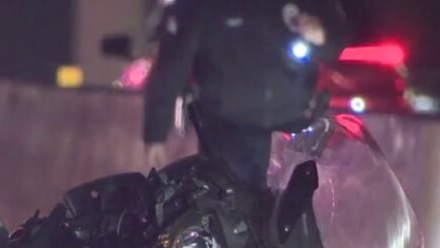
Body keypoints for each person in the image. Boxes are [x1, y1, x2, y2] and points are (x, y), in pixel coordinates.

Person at [143, 0, 349, 187]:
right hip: (230, 130)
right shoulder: (204, 6)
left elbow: (335, 41)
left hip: (296, 125)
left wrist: (322, 33)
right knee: (234, 207)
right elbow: (172, 65)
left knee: (296, 210)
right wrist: (156, 132)